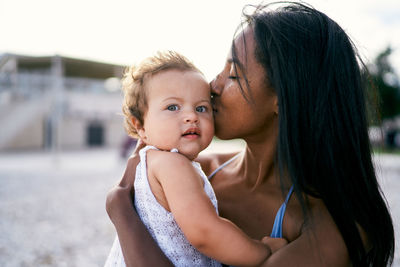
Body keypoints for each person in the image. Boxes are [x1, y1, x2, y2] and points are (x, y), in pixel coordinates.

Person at [106, 2, 395, 267]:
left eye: (232, 75)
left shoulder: (331, 225)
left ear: (283, 97)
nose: (212, 85)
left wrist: (121, 210)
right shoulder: (199, 170)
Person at [104, 51, 287, 267]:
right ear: (140, 127)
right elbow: (205, 232)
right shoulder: (172, 165)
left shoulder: (153, 163)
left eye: (201, 108)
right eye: (173, 107)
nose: (191, 116)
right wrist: (262, 250)